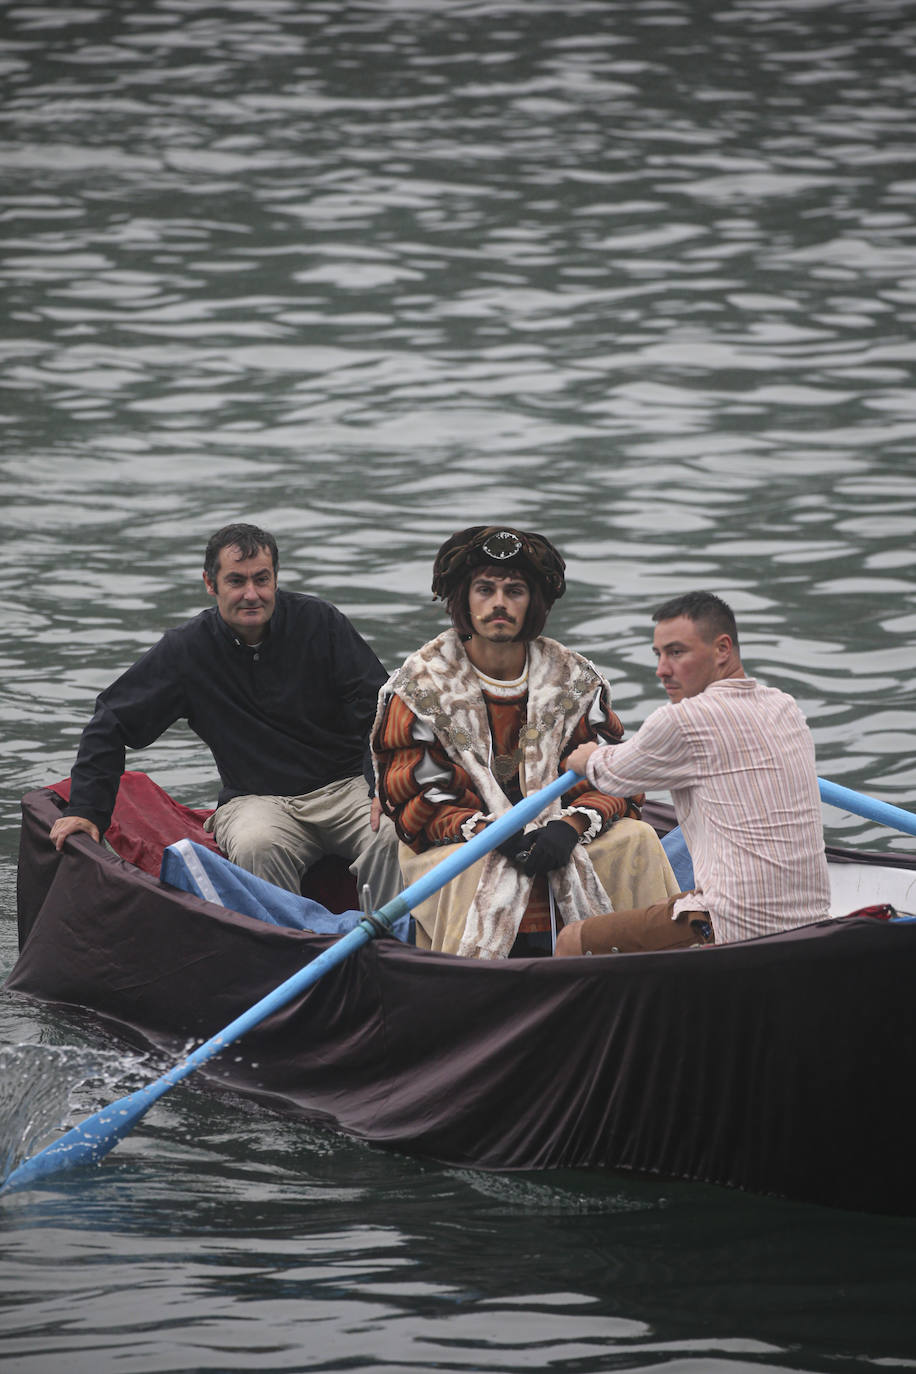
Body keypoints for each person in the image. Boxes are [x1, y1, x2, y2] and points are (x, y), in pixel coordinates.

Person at [50, 522, 401, 903]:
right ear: (210, 583)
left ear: (276, 579)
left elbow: (381, 708)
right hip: (255, 801)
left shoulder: (320, 622)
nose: (251, 594)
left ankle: (389, 945)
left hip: (345, 788)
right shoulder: (187, 650)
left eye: (262, 580)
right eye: (236, 581)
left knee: (396, 831)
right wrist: (88, 810)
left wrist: (383, 784)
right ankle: (285, 951)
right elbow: (111, 720)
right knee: (257, 845)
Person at [372, 525, 679, 959]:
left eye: (514, 591)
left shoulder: (574, 681)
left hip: (560, 827)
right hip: (463, 843)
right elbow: (419, 800)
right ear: (465, 600)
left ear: (533, 603)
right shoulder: (419, 687)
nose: (499, 603)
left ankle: (650, 969)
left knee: (638, 839)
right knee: (479, 867)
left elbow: (612, 776)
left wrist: (568, 827)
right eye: (485, 589)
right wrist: (490, 831)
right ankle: (471, 985)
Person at [557, 590, 831, 956]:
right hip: (812, 918)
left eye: (676, 652)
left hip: (737, 925)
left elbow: (610, 774)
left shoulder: (684, 720)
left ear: (722, 650)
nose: (661, 670)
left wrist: (585, 756)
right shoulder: (783, 706)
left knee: (571, 941)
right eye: (658, 655)